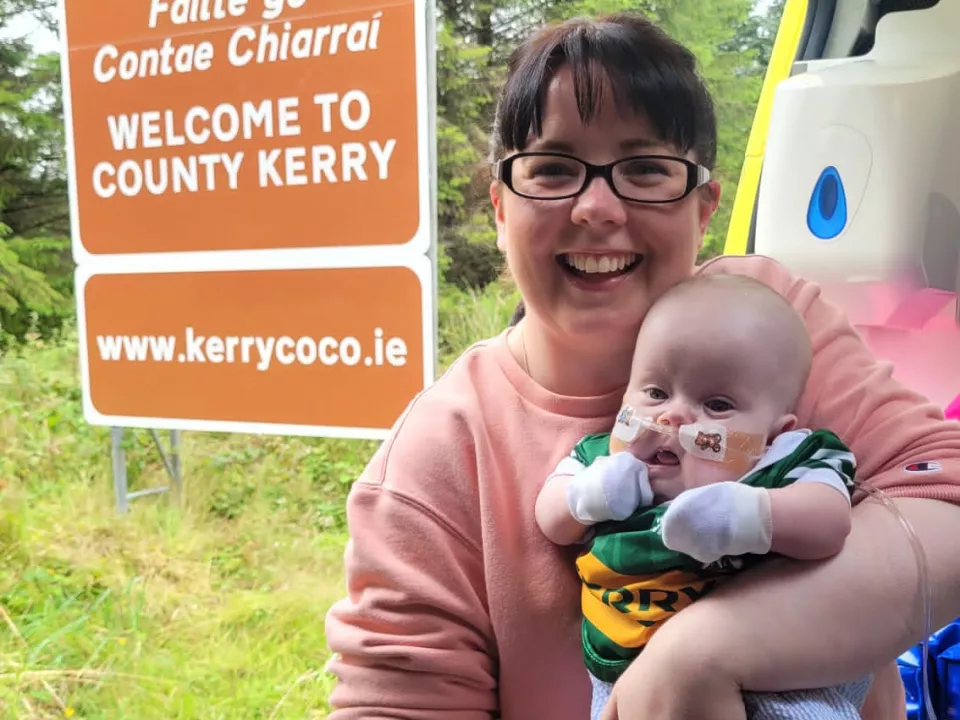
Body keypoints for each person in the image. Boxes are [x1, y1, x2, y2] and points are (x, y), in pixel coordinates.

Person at [324, 12, 960, 720]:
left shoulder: (769, 318)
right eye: (554, 169)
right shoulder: (437, 457)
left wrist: (709, 650)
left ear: (703, 205)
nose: (597, 208)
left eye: (646, 170)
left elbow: (943, 493)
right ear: (501, 206)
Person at [535, 273, 871, 720]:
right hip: (624, 670)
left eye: (716, 405)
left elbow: (830, 524)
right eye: (655, 392)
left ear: (772, 435)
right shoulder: (600, 459)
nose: (673, 417)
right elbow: (551, 520)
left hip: (780, 673)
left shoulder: (783, 463)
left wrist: (744, 516)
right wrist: (589, 496)